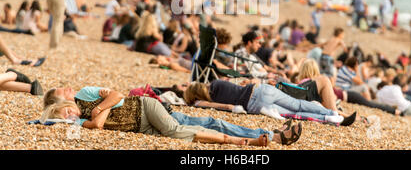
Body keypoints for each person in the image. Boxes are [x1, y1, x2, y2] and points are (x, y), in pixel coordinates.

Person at [42, 87, 296, 146]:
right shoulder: (76, 117)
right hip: (144, 120)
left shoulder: (85, 94)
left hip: (146, 109)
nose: (67, 89)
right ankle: (273, 136)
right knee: (211, 121)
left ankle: (255, 139)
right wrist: (101, 110)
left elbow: (117, 94)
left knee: (183, 130)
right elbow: (97, 123)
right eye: (62, 92)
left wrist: (100, 107)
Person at [184, 80, 356, 125]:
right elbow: (237, 86)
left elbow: (226, 107)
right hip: (260, 89)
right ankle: (331, 112)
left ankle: (329, 119)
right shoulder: (216, 83)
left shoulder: (202, 102)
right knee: (297, 104)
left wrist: (236, 109)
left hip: (255, 104)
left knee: (295, 114)